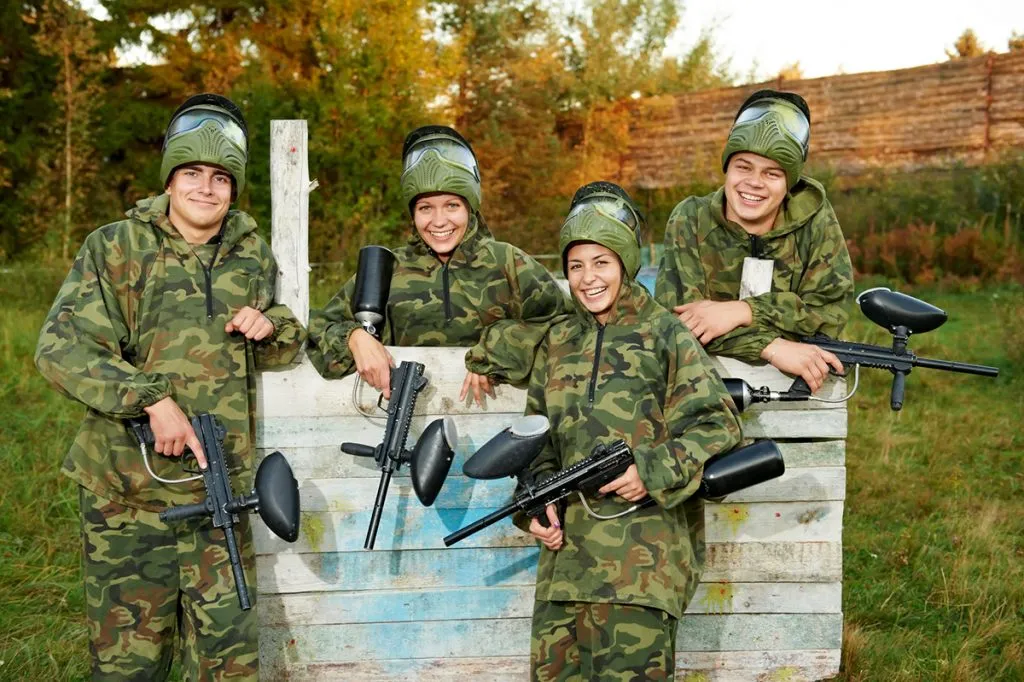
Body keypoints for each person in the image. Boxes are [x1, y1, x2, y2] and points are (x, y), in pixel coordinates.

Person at [35, 93, 306, 681]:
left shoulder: (251, 254)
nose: (205, 189)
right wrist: (152, 399)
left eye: (219, 177)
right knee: (130, 666)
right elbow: (61, 347)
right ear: (170, 177)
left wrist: (271, 325)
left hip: (220, 495)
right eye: (191, 173)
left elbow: (283, 339)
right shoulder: (115, 246)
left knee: (230, 665)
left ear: (233, 186)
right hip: (128, 500)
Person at [518, 182, 743, 681]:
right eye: (576, 265)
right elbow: (536, 442)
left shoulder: (665, 333)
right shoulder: (557, 340)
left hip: (642, 572)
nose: (587, 278)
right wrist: (535, 505)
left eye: (601, 262)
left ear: (625, 262)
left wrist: (651, 470)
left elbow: (718, 423)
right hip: (564, 573)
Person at [307, 125, 570, 404]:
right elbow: (319, 326)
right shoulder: (389, 269)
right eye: (425, 208)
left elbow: (566, 324)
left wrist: (502, 343)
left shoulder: (508, 263)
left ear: (470, 206)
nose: (439, 221)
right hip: (408, 424)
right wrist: (354, 337)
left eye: (452, 205)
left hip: (498, 424)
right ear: (413, 213)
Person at [655, 89, 854, 393]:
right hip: (696, 392)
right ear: (727, 167)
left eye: (772, 173)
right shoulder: (691, 219)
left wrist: (743, 311)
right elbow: (681, 322)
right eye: (743, 167)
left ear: (789, 182)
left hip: (797, 402)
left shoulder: (814, 220)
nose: (754, 183)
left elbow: (829, 315)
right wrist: (772, 346)